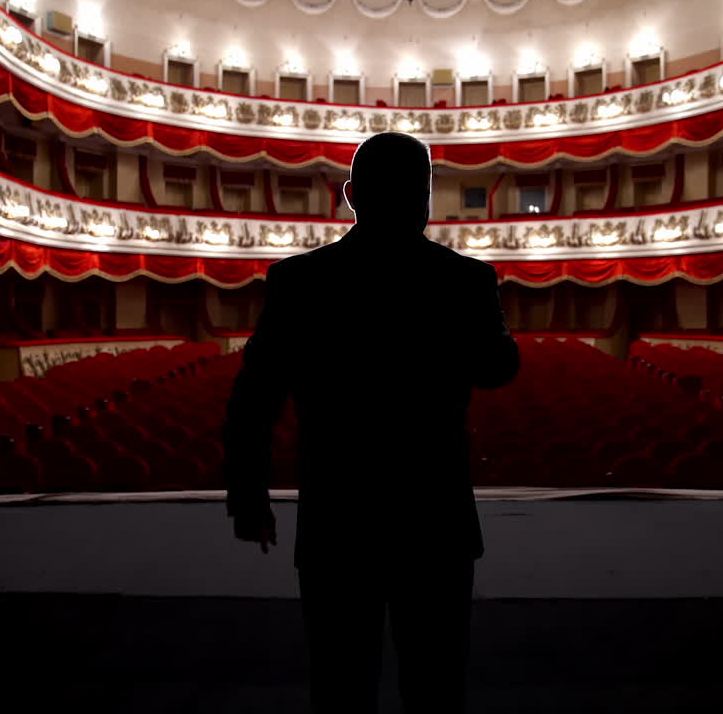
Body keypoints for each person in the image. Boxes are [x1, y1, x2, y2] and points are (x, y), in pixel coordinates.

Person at [222, 131, 520, 713]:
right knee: (436, 688)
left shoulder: (300, 280)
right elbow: (499, 369)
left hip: (339, 511)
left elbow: (254, 397)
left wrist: (247, 495)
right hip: (433, 513)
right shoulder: (465, 279)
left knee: (339, 687)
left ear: (351, 195)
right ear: (426, 199)